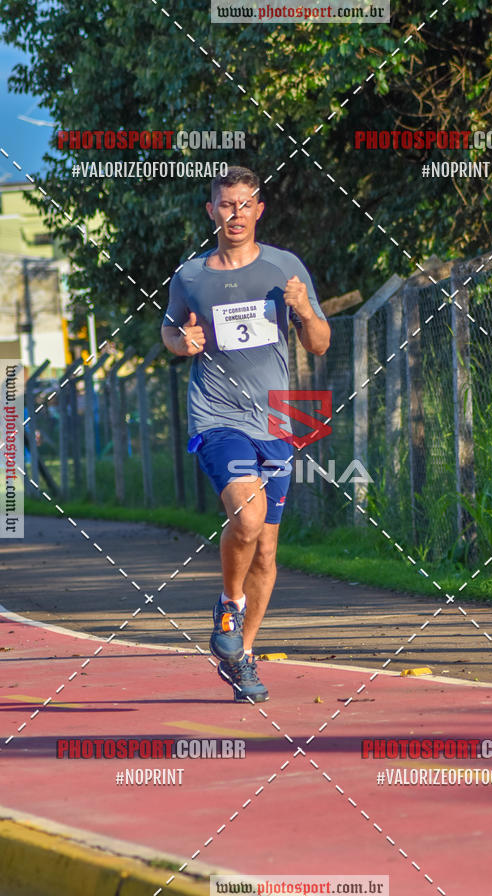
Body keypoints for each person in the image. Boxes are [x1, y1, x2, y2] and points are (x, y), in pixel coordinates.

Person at [161, 166, 330, 703]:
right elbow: (170, 327)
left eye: (245, 204)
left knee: (267, 550)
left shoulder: (285, 268)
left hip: (275, 421)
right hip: (218, 417)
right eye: (225, 205)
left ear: (260, 210)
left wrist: (302, 310)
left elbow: (319, 342)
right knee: (247, 515)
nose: (235, 214)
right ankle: (228, 607)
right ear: (211, 211)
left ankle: (242, 656)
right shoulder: (190, 276)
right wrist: (180, 341)